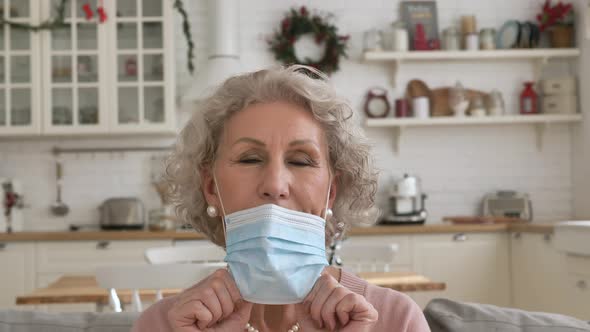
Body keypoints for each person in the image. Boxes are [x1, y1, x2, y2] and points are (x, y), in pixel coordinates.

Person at [132, 66, 429, 332]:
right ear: (211, 188)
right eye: (249, 159)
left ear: (332, 192)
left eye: (301, 161)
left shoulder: (396, 321)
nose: (275, 185)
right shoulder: (164, 325)